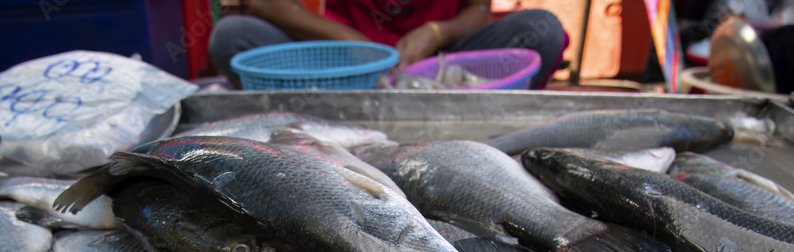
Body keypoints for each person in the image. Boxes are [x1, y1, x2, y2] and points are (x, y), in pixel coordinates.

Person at [209, 0, 567, 90]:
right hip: (343, 67)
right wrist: (347, 39)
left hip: (441, 64)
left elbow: (479, 10)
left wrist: (436, 32)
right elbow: (265, 4)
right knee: (233, 35)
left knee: (543, 29)